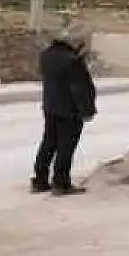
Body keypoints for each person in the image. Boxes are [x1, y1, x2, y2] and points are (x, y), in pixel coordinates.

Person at [32, 23, 97, 196]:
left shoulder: (47, 56)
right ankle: (61, 183)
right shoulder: (72, 61)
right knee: (66, 146)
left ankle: (40, 179)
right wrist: (87, 110)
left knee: (48, 142)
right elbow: (80, 88)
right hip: (70, 110)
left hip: (50, 106)